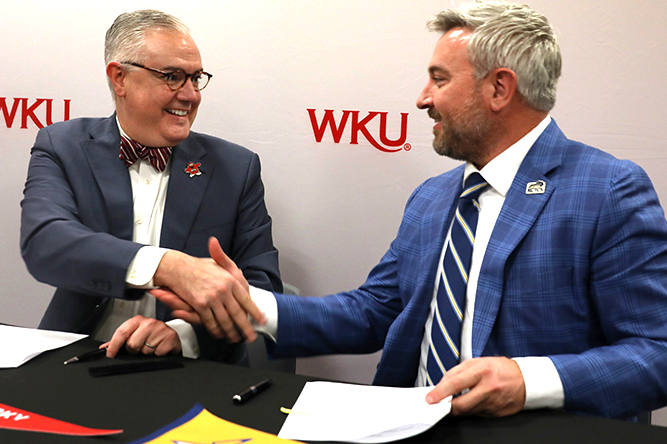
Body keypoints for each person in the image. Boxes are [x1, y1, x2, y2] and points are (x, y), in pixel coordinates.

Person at [156, 0, 667, 419]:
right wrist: (247, 303)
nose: (422, 99)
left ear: (499, 88)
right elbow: (371, 314)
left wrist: (528, 380)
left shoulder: (608, 191)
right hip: (406, 426)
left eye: (439, 79)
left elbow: (656, 354)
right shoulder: (433, 198)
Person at [20, 9, 280, 364]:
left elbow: (263, 286)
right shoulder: (62, 145)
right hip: (76, 353)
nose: (190, 95)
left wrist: (183, 332)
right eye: (172, 77)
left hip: (191, 368)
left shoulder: (236, 167)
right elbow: (45, 243)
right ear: (120, 78)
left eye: (196, 78)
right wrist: (167, 265)